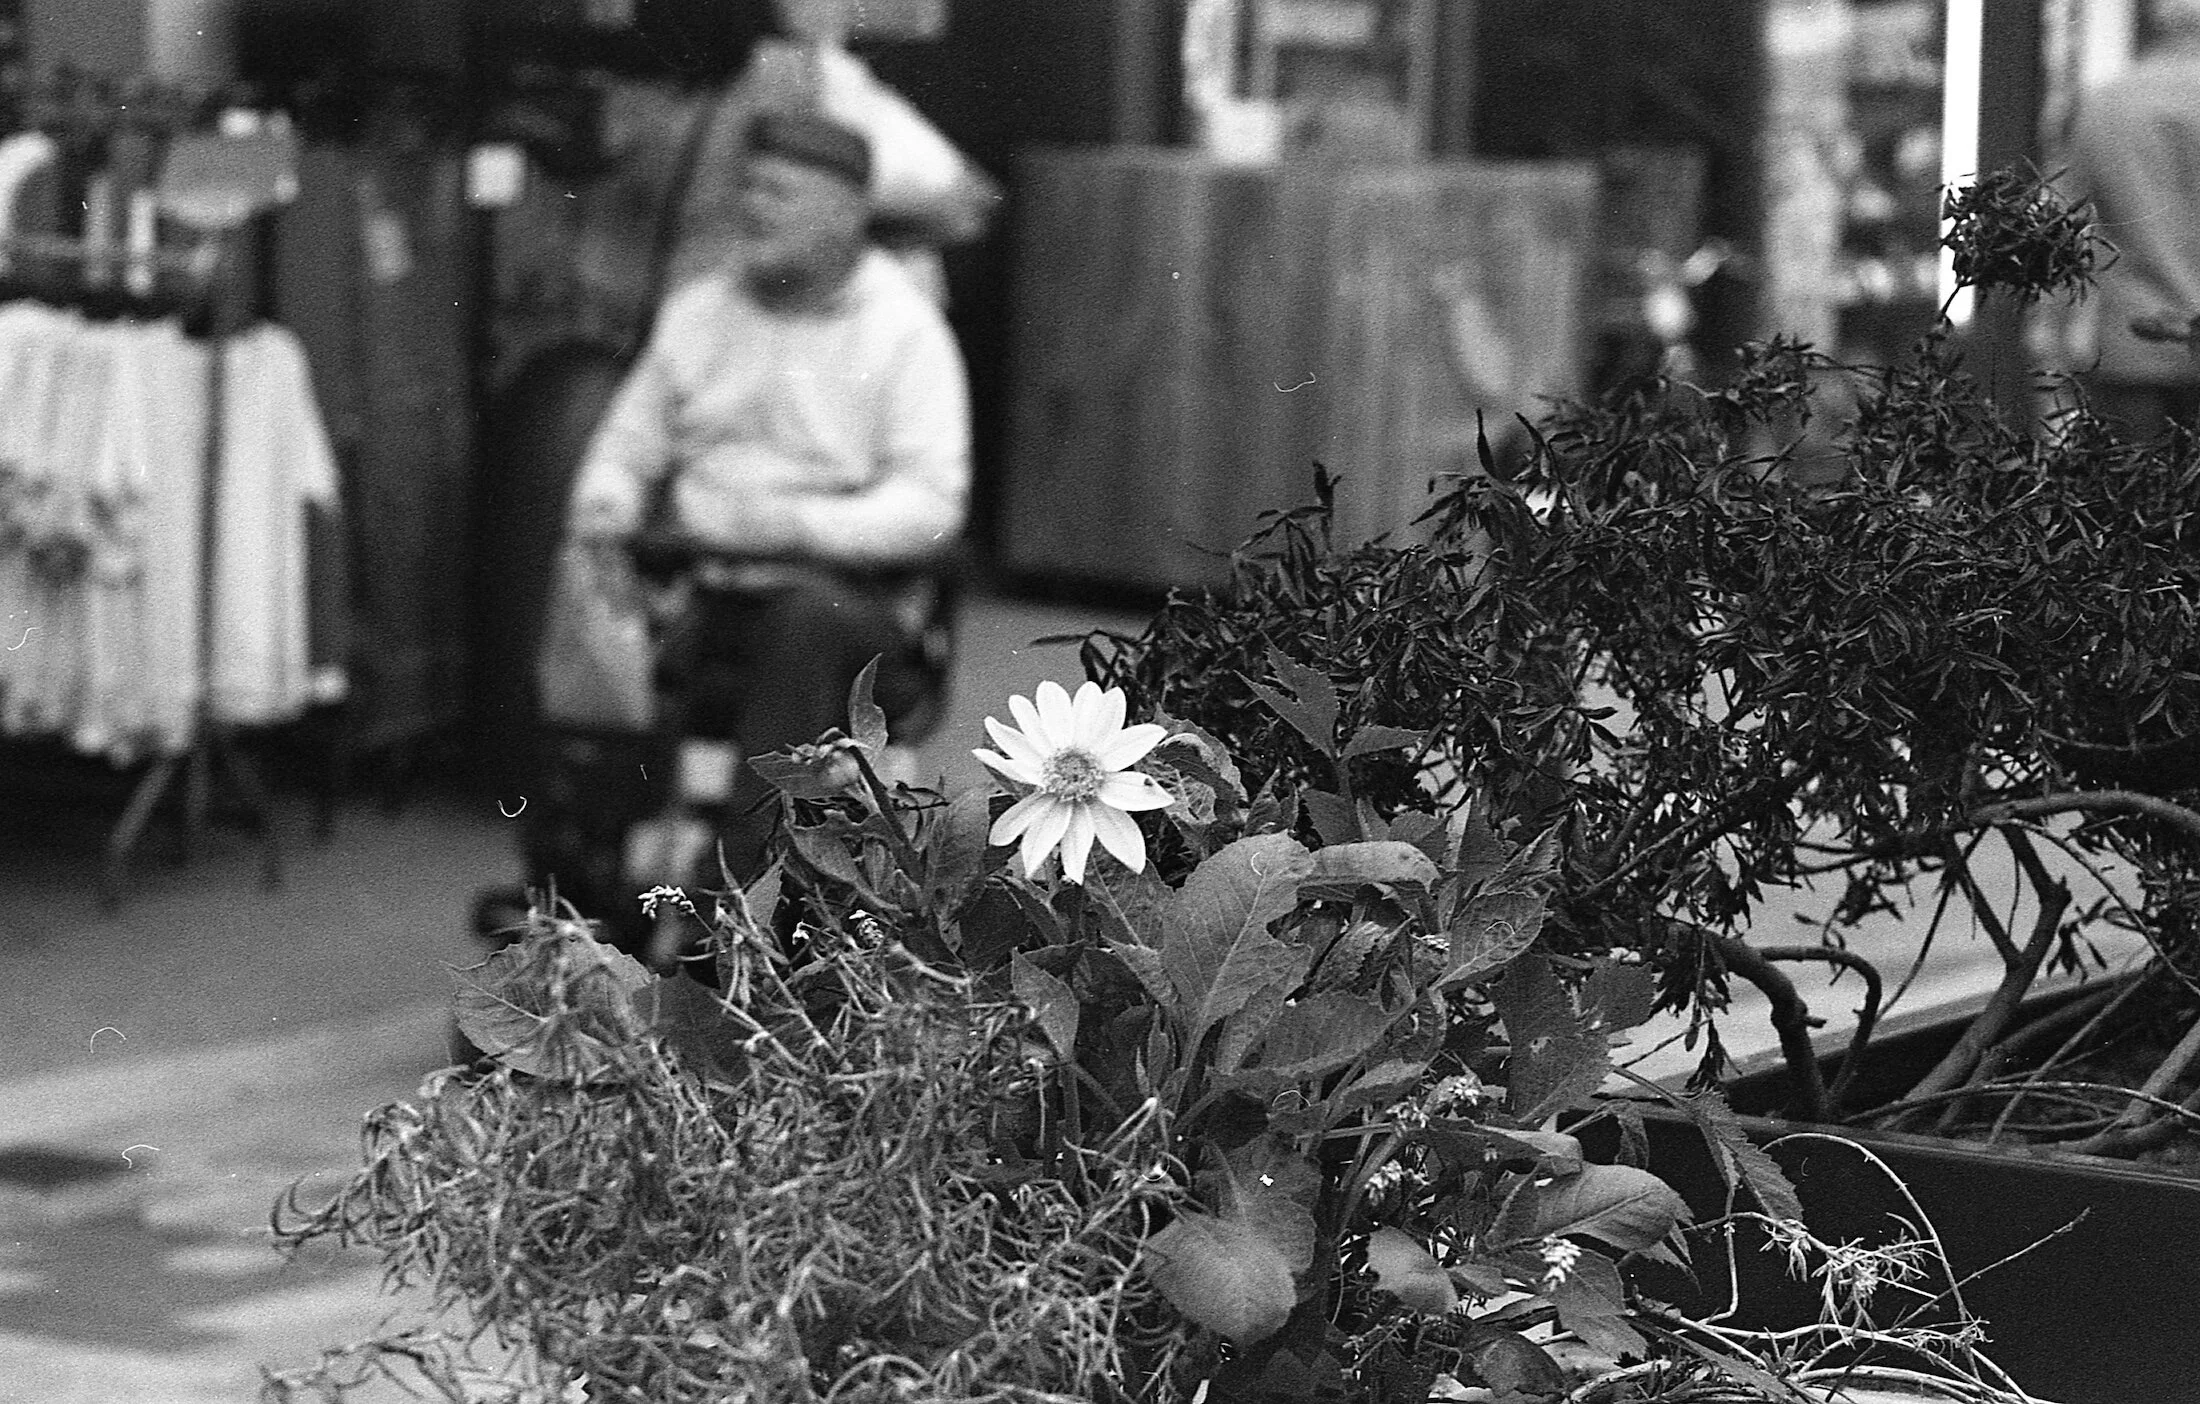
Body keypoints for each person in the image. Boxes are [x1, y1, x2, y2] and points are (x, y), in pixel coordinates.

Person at [562, 108, 971, 885]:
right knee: (592, 603)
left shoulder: (905, 333)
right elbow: (625, 448)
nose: (752, 208)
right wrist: (606, 510)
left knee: (802, 625)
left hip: (847, 605)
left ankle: (739, 898)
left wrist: (789, 526)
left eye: (778, 193)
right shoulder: (699, 312)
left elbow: (932, 507)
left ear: (844, 214)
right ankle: (593, 884)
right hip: (701, 588)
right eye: (748, 188)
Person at [2066, 0, 2200, 438]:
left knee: (2132, 478)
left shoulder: (2106, 104)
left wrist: (2054, 334)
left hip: (2133, 342)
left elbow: (2064, 225)